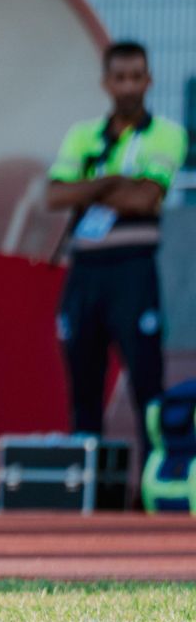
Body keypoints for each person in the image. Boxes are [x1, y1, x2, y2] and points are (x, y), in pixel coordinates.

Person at [46, 40, 188, 462]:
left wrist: (91, 186)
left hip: (133, 271)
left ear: (149, 81)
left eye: (136, 77)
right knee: (83, 386)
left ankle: (152, 489)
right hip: (85, 271)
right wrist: (115, 183)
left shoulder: (168, 133)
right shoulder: (82, 133)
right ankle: (88, 498)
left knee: (148, 385)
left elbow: (146, 198)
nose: (128, 86)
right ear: (106, 82)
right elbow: (55, 194)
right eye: (120, 77)